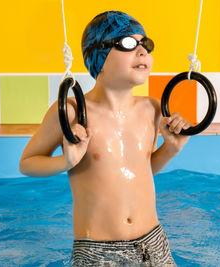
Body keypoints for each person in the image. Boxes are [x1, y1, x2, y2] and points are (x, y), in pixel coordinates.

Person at [19, 10, 191, 266]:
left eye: (146, 44)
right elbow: (27, 163)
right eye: (129, 44)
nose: (143, 52)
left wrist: (171, 149)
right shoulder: (73, 113)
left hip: (154, 241)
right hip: (98, 251)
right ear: (98, 55)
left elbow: (140, 171)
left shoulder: (152, 109)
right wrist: (66, 161)